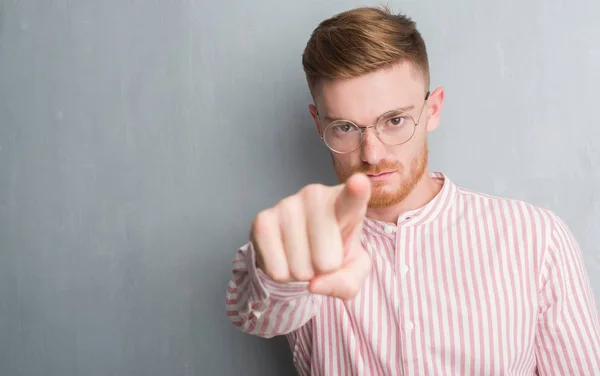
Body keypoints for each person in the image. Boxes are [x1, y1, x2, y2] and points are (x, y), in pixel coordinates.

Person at [225, 5, 600, 375]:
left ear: (433, 110)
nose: (371, 154)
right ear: (317, 122)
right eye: (344, 127)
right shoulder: (301, 238)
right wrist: (286, 270)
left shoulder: (536, 239)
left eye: (395, 120)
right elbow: (258, 313)